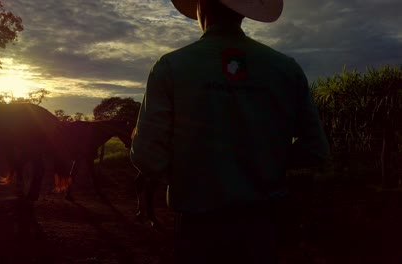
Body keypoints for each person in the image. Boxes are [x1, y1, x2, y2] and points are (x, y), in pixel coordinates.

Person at [130, 0, 330, 263]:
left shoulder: (170, 67)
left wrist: (193, 178)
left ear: (201, 6)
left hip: (198, 227)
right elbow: (315, 149)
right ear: (244, 12)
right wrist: (266, 164)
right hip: (264, 225)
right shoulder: (286, 69)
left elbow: (146, 154)